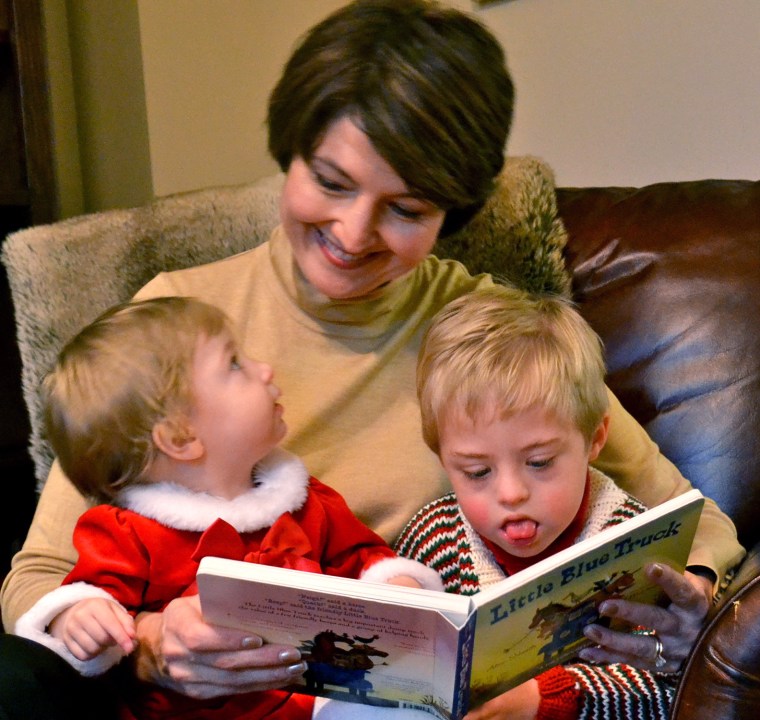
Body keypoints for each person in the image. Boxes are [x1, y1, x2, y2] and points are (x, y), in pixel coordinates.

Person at [0, 1, 743, 718]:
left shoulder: (487, 340)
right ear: (289, 153)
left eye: (406, 209)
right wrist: (155, 644)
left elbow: (701, 522)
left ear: (451, 213)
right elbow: (35, 580)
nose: (354, 234)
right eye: (331, 181)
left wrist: (693, 596)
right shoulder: (172, 327)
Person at [14, 296, 439, 719]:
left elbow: (361, 558)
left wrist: (398, 584)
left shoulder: (306, 501)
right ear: (180, 438)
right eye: (235, 364)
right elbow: (95, 603)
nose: (265, 369)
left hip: (322, 705)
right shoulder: (127, 534)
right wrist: (78, 618)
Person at [397, 285, 704, 720]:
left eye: (539, 462)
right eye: (476, 472)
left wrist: (547, 699)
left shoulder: (634, 542)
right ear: (443, 460)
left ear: (595, 438)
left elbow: (664, 692)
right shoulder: (433, 538)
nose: (511, 493)